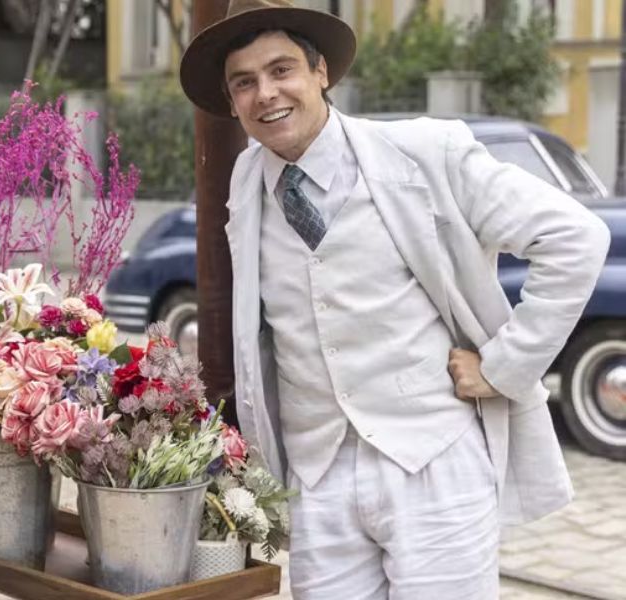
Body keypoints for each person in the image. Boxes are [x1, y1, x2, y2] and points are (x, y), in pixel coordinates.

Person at [179, 1, 610, 598]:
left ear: (321, 72)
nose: (266, 93)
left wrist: (505, 365)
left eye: (282, 70)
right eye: (244, 82)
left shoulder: (427, 153)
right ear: (231, 103)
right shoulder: (247, 180)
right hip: (318, 473)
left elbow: (576, 237)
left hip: (433, 462)